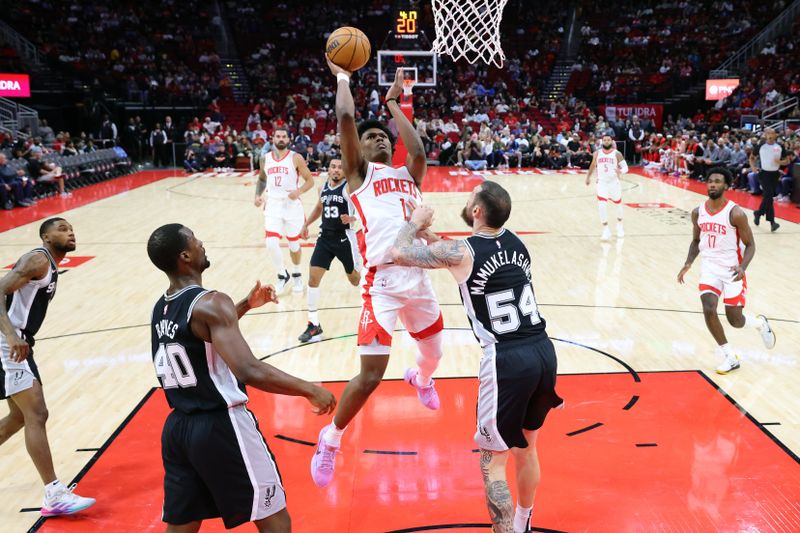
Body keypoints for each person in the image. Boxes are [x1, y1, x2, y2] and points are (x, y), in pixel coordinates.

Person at [389, 182, 563, 533]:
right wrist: (429, 233)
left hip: (506, 361)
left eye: (471, 198)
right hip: (544, 352)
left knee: (492, 462)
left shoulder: (462, 252)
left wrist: (413, 222)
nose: (467, 201)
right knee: (527, 449)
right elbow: (460, 253)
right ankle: (522, 524)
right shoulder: (517, 243)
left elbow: (399, 253)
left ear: (477, 212)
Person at [146, 224, 336, 532]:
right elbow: (248, 369)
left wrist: (246, 305)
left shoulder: (162, 306)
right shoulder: (211, 301)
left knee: (182, 524)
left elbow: (200, 336)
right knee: (274, 517)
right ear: (185, 256)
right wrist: (309, 389)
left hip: (178, 430)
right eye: (195, 240)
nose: (201, 243)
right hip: (221, 425)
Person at [310, 63, 445, 487]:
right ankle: (330, 440)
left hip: (419, 278)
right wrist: (343, 78)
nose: (380, 139)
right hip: (382, 285)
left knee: (435, 357)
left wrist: (394, 104)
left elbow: (419, 152)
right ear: (359, 152)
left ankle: (420, 378)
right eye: (371, 138)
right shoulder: (358, 175)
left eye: (383, 135)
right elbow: (346, 119)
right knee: (370, 376)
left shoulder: (409, 175)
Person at [0, 218, 96, 516]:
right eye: (63, 228)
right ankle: (54, 494)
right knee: (37, 413)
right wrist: (12, 335)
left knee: (18, 417)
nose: (71, 231)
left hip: (19, 342)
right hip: (7, 341)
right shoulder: (38, 259)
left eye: (72, 228)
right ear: (45, 236)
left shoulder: (51, 265)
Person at [677, 167, 776, 374]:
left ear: (726, 186)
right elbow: (696, 240)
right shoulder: (698, 212)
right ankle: (730, 356)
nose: (712, 184)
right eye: (710, 181)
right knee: (709, 307)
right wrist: (688, 263)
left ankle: (759, 324)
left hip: (732, 270)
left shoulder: (736, 213)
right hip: (709, 268)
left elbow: (750, 245)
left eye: (717, 181)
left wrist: (743, 267)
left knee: (735, 320)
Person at [297, 159, 361, 343]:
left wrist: (353, 217)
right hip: (325, 238)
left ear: (345, 170)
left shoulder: (349, 188)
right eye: (333, 166)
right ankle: (313, 324)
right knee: (313, 279)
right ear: (329, 169)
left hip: (344, 238)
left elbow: (366, 208)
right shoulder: (323, 187)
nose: (336, 170)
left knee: (355, 280)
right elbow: (319, 207)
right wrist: (306, 224)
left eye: (340, 167)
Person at [254, 127, 315, 294]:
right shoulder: (265, 158)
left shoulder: (296, 158)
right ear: (273, 138)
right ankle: (282, 275)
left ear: (289, 139)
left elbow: (310, 181)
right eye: (278, 136)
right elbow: (261, 179)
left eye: (284, 136)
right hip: (273, 204)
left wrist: (299, 191)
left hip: (291, 205)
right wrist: (257, 195)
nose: (281, 139)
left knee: (294, 244)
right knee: (271, 242)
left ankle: (296, 274)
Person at [585, 134, 627, 240]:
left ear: (611, 141)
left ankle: (620, 225)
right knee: (602, 206)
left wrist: (620, 171)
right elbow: (593, 165)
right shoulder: (596, 153)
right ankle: (606, 229)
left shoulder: (617, 153)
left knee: (618, 204)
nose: (607, 141)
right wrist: (588, 177)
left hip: (614, 182)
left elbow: (625, 167)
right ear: (602, 142)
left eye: (608, 140)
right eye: (605, 140)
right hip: (602, 183)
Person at [750, 128, 792, 232]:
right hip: (764, 174)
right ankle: (772, 222)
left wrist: (780, 162)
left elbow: (787, 161)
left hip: (775, 174)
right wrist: (753, 167)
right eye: (768, 133)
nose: (769, 135)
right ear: (765, 135)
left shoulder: (780, 146)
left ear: (775, 135)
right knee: (768, 195)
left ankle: (759, 213)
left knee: (768, 198)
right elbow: (751, 157)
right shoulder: (760, 146)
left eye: (772, 133)